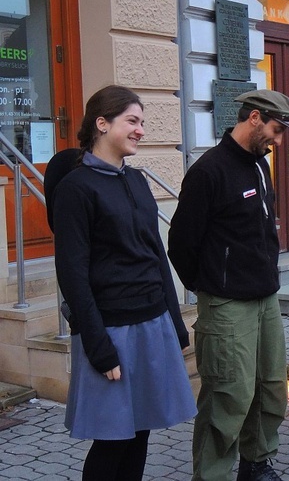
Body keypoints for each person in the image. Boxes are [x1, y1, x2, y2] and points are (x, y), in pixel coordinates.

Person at [52, 85, 196, 480]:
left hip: (152, 322)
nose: (140, 131)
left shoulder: (136, 182)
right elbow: (72, 274)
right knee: (113, 439)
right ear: (102, 123)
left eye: (142, 123)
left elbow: (155, 255)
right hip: (111, 331)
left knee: (140, 430)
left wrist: (175, 323)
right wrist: (98, 347)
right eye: (132, 121)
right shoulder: (76, 189)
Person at [168, 89, 289, 481]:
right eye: (275, 129)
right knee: (229, 396)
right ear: (254, 118)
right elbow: (181, 244)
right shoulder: (209, 171)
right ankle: (213, 474)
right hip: (226, 304)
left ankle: (256, 463)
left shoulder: (260, 165)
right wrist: (211, 285)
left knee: (270, 387)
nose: (279, 139)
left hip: (265, 298)